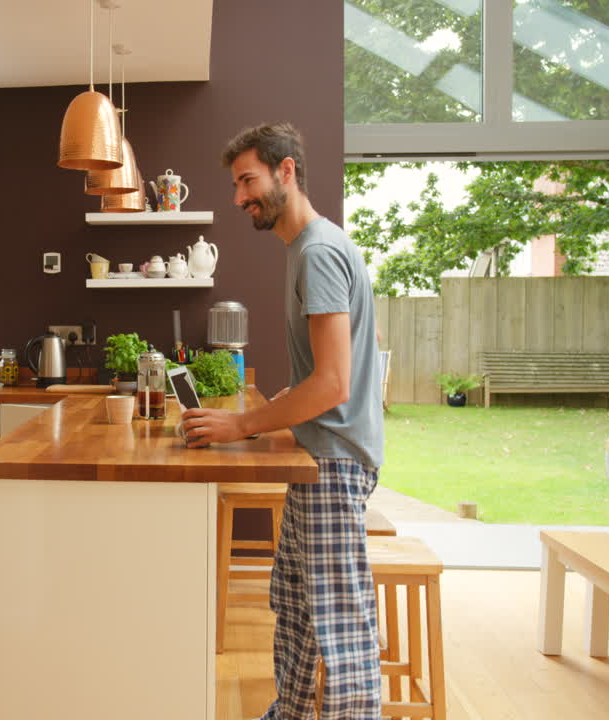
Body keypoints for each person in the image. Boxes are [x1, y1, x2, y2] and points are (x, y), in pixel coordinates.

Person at [181, 122, 384, 719]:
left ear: (286, 171)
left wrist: (239, 427)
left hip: (334, 464)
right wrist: (265, 417)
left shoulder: (317, 252)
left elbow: (333, 384)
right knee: (296, 608)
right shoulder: (308, 247)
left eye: (248, 180)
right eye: (237, 183)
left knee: (338, 632)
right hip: (318, 458)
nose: (239, 197)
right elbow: (320, 376)